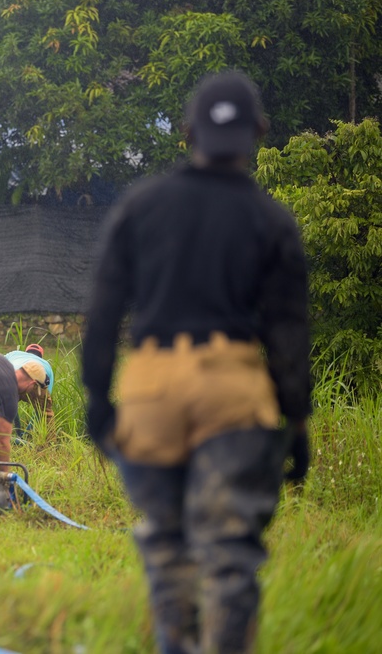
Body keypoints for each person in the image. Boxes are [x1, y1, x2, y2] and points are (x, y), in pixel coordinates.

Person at [81, 70, 310, 654]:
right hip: (232, 386)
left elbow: (104, 309)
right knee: (227, 554)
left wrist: (97, 400)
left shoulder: (142, 205)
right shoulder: (271, 218)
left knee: (167, 545)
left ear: (187, 133)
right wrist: (297, 419)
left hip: (151, 388)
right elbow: (286, 330)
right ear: (258, 132)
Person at [4, 343, 55, 424]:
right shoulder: (45, 364)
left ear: (26, 352)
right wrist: (29, 429)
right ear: (41, 356)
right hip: (37, 383)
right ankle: (46, 436)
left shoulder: (13, 354)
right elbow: (46, 398)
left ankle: (15, 433)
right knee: (45, 413)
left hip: (12, 377)